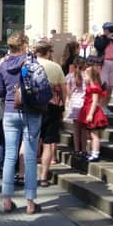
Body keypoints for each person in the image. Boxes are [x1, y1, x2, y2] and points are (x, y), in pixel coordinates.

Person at [0, 32, 42, 215]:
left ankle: (7, 201)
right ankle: (30, 203)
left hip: (9, 111)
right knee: (30, 157)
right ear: (24, 45)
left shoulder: (2, 64)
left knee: (10, 156)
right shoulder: (31, 62)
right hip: (30, 111)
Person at [35, 42, 68, 188]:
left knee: (31, 141)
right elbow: (63, 89)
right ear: (48, 52)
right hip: (51, 107)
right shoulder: (55, 67)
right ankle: (43, 177)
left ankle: (26, 175)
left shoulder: (28, 65)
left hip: (32, 107)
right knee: (48, 144)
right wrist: (64, 105)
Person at [77, 66, 109, 162]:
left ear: (90, 76)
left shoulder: (94, 87)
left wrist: (90, 114)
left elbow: (95, 102)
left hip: (94, 113)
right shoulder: (90, 87)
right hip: (88, 110)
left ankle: (95, 154)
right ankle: (91, 152)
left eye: (85, 75)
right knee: (90, 134)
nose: (84, 77)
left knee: (94, 135)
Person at [66, 57, 87, 157]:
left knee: (75, 129)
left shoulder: (70, 76)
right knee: (83, 129)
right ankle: (84, 150)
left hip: (74, 104)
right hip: (84, 104)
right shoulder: (87, 76)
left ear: (74, 66)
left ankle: (76, 149)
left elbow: (68, 92)